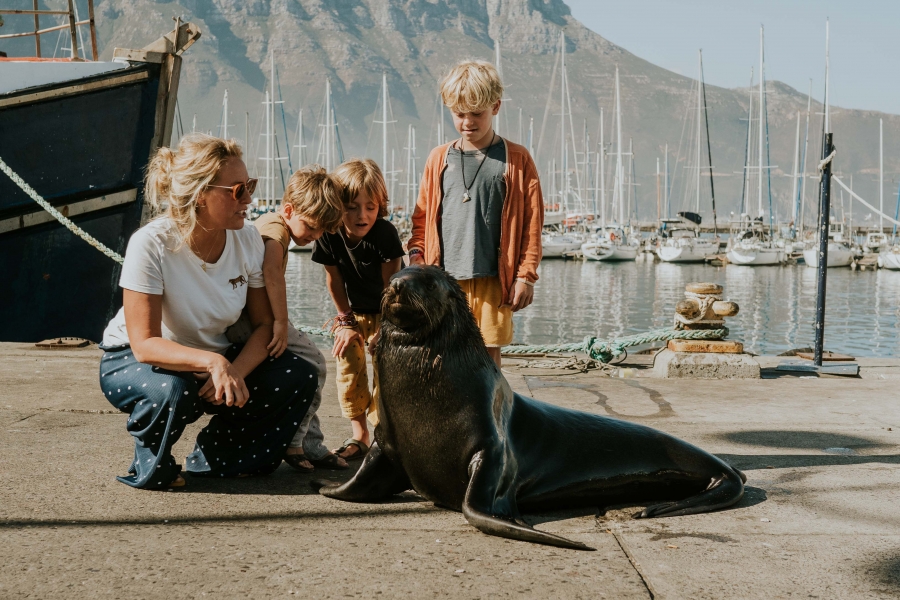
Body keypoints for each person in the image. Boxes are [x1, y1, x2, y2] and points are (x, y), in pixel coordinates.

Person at [98, 133, 318, 490]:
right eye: (237, 190)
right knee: (170, 390)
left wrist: (235, 371)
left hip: (216, 358)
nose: (249, 198)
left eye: (250, 186)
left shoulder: (247, 239)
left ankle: (218, 460)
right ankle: (153, 463)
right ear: (200, 194)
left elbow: (263, 325)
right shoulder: (151, 244)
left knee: (296, 375)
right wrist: (213, 364)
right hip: (137, 360)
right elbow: (145, 344)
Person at [407, 60, 543, 367]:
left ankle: (488, 416)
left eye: (477, 113)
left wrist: (526, 277)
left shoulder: (517, 159)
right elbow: (421, 218)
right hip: (442, 281)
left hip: (494, 281)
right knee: (441, 358)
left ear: (495, 106)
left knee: (487, 360)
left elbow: (532, 225)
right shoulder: (438, 158)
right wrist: (418, 260)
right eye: (459, 113)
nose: (468, 121)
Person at [243, 165, 349, 472]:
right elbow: (271, 270)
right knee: (316, 364)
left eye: (321, 232)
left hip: (257, 315)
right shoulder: (275, 229)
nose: (315, 236)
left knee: (309, 369)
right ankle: (297, 443)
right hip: (259, 320)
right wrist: (280, 322)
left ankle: (309, 443)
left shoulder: (271, 223)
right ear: (289, 209)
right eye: (312, 227)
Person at [311, 159, 404, 461]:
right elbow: (333, 280)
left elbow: (393, 287)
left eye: (370, 207)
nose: (362, 216)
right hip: (351, 313)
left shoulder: (386, 234)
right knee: (348, 363)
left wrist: (385, 328)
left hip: (388, 312)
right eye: (351, 207)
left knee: (386, 373)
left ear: (381, 205)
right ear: (337, 205)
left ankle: (384, 435)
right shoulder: (329, 234)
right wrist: (346, 322)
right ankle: (360, 434)